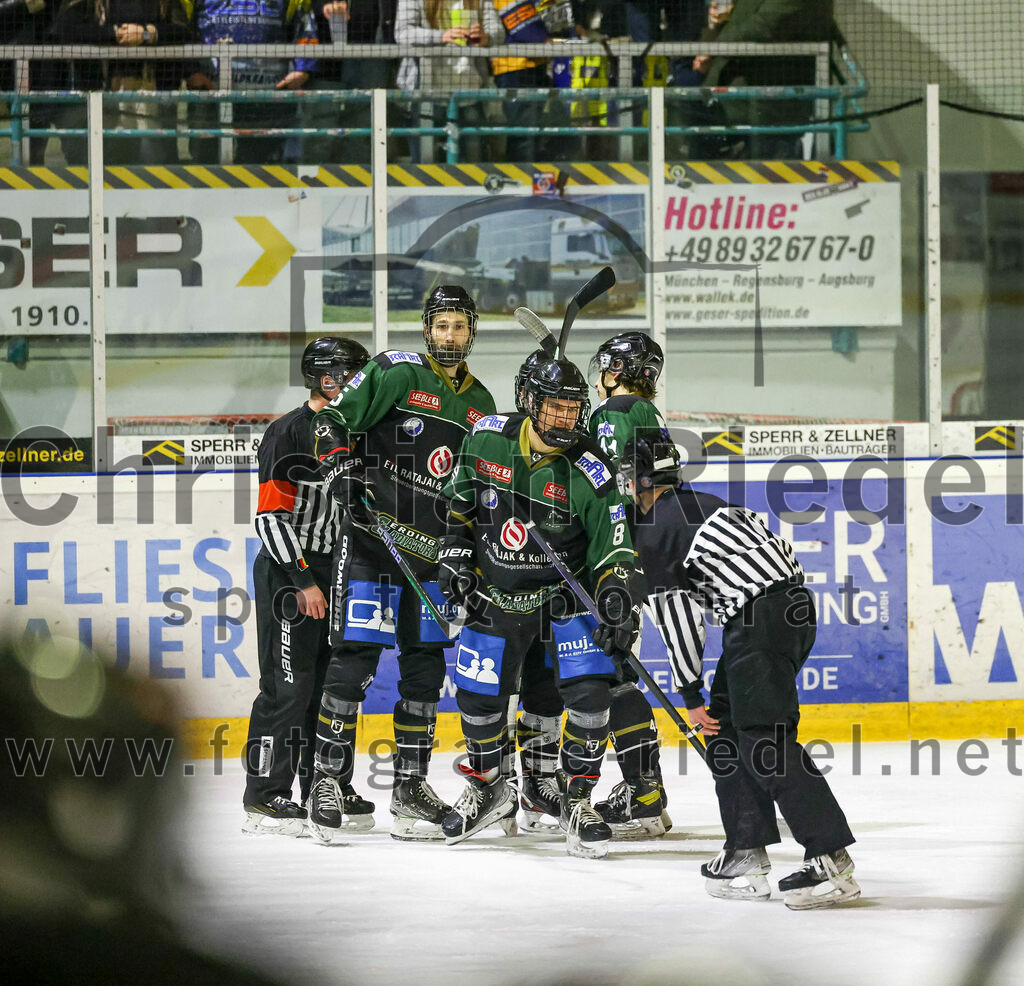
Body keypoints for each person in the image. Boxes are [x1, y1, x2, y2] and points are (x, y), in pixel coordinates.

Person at [619, 431, 861, 909]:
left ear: (640, 480)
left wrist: (689, 696)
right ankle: (744, 848)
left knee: (763, 740)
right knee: (728, 730)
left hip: (758, 620)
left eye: (628, 480)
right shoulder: (703, 502)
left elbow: (680, 620)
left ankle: (831, 858)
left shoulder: (656, 531)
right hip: (786, 611)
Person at [308, 285, 496, 843]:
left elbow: (481, 486)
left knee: (424, 671)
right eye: (442, 326)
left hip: (433, 558)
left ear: (472, 332)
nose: (450, 336)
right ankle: (325, 778)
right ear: (427, 328)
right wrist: (339, 466)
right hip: (373, 542)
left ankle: (409, 787)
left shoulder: (482, 402)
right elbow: (332, 423)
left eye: (460, 327)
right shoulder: (396, 370)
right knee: (355, 660)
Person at [438, 355, 644, 859]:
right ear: (528, 402)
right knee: (479, 699)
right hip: (495, 592)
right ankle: (491, 789)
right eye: (554, 408)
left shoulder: (591, 471)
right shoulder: (486, 437)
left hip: (564, 598)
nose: (565, 420)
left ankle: (576, 800)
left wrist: (616, 599)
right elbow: (459, 503)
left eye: (573, 410)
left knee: (590, 695)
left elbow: (614, 546)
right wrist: (456, 556)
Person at [243, 337, 371, 836]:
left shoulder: (356, 432)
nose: (361, 384)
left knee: (328, 686)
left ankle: (326, 783)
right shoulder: (287, 432)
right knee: (286, 688)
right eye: (352, 374)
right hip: (288, 573)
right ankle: (264, 795)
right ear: (325, 378)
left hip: (337, 570)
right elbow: (270, 518)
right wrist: (302, 581)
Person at [586, 331, 674, 839]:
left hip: (609, 560)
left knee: (608, 675)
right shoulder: (648, 414)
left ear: (617, 370)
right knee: (617, 670)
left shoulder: (614, 412)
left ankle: (643, 792)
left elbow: (606, 483)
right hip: (638, 557)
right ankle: (645, 791)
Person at [50, 0, 193, 165]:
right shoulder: (88, 4)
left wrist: (146, 34)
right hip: (100, 100)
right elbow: (65, 30)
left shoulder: (166, 3)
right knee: (104, 166)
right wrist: (116, 34)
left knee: (153, 163)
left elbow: (183, 32)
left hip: (152, 99)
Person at [690, 0, 835, 160]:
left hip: (768, 110)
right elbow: (740, 20)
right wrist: (722, 14)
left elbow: (764, 27)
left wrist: (713, 50)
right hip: (729, 103)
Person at [184, 0, 318, 165]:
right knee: (206, 162)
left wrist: (303, 70)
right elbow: (181, 27)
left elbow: (305, 23)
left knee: (261, 164)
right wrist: (191, 70)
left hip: (268, 96)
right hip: (209, 94)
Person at [395, 0, 499, 163]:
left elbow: (497, 30)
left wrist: (487, 36)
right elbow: (402, 32)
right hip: (427, 94)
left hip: (469, 92)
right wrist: (441, 36)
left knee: (474, 167)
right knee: (426, 167)